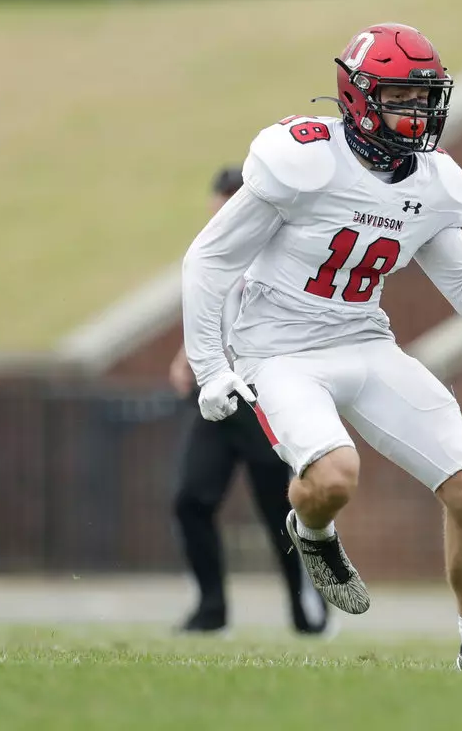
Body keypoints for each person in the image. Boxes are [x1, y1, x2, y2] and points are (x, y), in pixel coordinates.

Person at [181, 23, 462, 671]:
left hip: (363, 339)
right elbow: (209, 259)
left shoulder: (435, 181)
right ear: (359, 95)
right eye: (401, 97)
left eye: (425, 98)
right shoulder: (304, 157)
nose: (417, 112)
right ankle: (313, 532)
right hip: (279, 348)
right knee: (335, 476)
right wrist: (210, 366)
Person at [170, 166, 329, 636]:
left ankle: (308, 609)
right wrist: (187, 356)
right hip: (216, 396)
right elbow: (212, 308)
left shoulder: (278, 252)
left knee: (279, 514)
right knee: (190, 499)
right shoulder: (216, 254)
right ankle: (211, 608)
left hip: (261, 398)